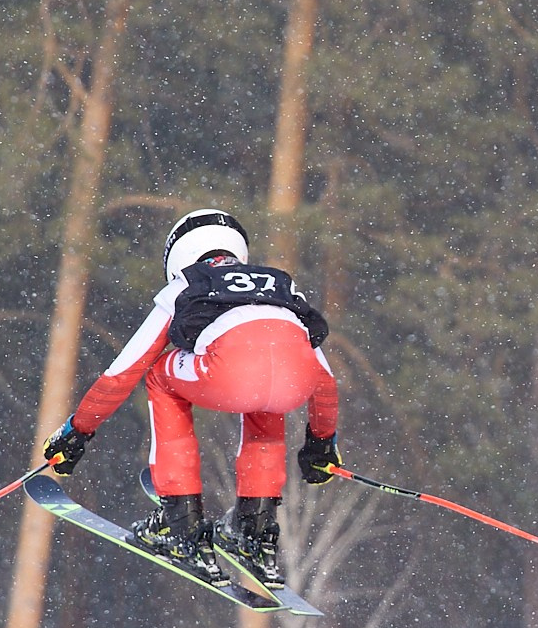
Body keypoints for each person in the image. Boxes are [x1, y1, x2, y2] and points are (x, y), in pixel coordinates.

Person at [40, 209, 339, 590]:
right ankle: (255, 525)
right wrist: (321, 443)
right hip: (295, 379)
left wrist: (77, 431)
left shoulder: (188, 284)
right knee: (267, 390)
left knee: (159, 373)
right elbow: (324, 380)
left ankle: (180, 523)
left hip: (230, 372)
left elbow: (123, 371)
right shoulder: (279, 284)